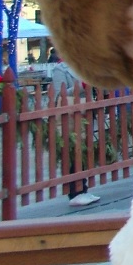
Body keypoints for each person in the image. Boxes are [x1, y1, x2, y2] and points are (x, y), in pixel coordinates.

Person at [49, 54, 101, 207]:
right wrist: (81, 86)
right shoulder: (60, 69)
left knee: (83, 151)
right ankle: (74, 192)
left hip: (84, 113)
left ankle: (83, 189)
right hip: (69, 117)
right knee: (72, 153)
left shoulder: (84, 64)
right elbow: (60, 94)